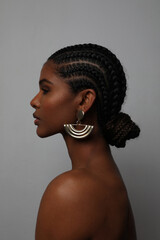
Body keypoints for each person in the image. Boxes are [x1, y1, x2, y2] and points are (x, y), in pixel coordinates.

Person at [30, 43, 140, 240]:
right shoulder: (112, 181)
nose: (34, 101)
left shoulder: (70, 190)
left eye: (46, 90)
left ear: (84, 101)